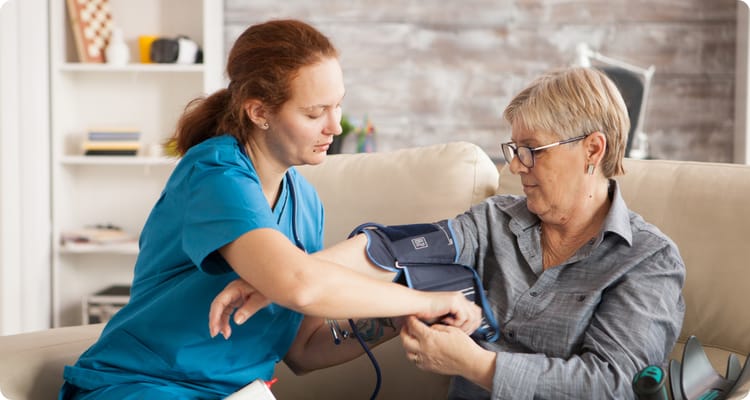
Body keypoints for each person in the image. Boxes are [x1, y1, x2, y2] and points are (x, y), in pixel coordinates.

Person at [59, 19, 481, 400]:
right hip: (146, 385)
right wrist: (419, 298)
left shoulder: (304, 202)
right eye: (315, 112)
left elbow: (303, 349)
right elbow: (298, 284)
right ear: (259, 111)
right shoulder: (215, 175)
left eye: (337, 106)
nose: (334, 126)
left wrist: (406, 318)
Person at [210, 67, 686, 399]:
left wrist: (476, 365)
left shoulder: (648, 261)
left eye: (532, 150)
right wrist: (281, 277)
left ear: (592, 149)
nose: (517, 167)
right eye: (513, 149)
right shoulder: (496, 219)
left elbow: (614, 385)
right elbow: (388, 249)